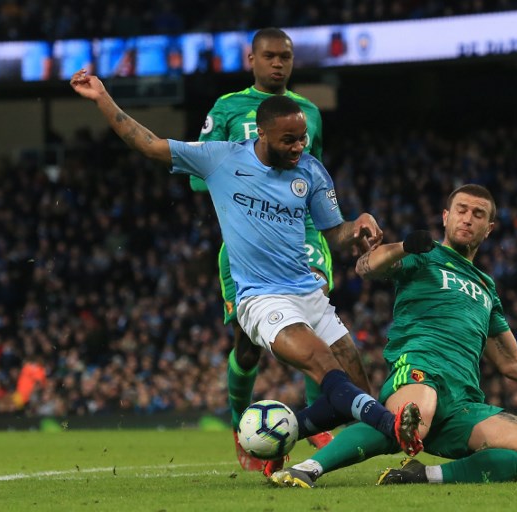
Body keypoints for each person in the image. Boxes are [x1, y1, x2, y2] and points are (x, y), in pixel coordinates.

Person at [68, 72, 424, 472]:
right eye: (289, 140)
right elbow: (149, 144)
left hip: (308, 294)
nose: (299, 146)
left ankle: (277, 437)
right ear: (264, 135)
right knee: (325, 366)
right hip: (260, 297)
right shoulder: (221, 157)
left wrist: (357, 225)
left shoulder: (310, 171)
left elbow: (336, 234)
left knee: (354, 393)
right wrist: (102, 98)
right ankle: (392, 427)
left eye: (303, 138)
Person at [269, 184, 517, 489]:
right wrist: (403, 247)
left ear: (489, 228)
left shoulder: (486, 288)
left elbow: (513, 362)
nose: (468, 218)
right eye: (461, 209)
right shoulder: (424, 257)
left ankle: (423, 476)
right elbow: (366, 266)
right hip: (419, 371)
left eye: (479, 214)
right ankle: (308, 469)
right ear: (446, 217)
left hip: (464, 401)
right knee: (417, 414)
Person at [189, 27, 344, 471]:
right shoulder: (226, 108)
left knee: (315, 330)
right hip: (245, 241)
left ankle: (317, 424)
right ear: (252, 59)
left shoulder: (309, 112)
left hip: (304, 236)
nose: (279, 64)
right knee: (246, 345)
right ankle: (241, 426)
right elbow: (199, 177)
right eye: (270, 56)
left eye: (286, 57)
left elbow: (312, 174)